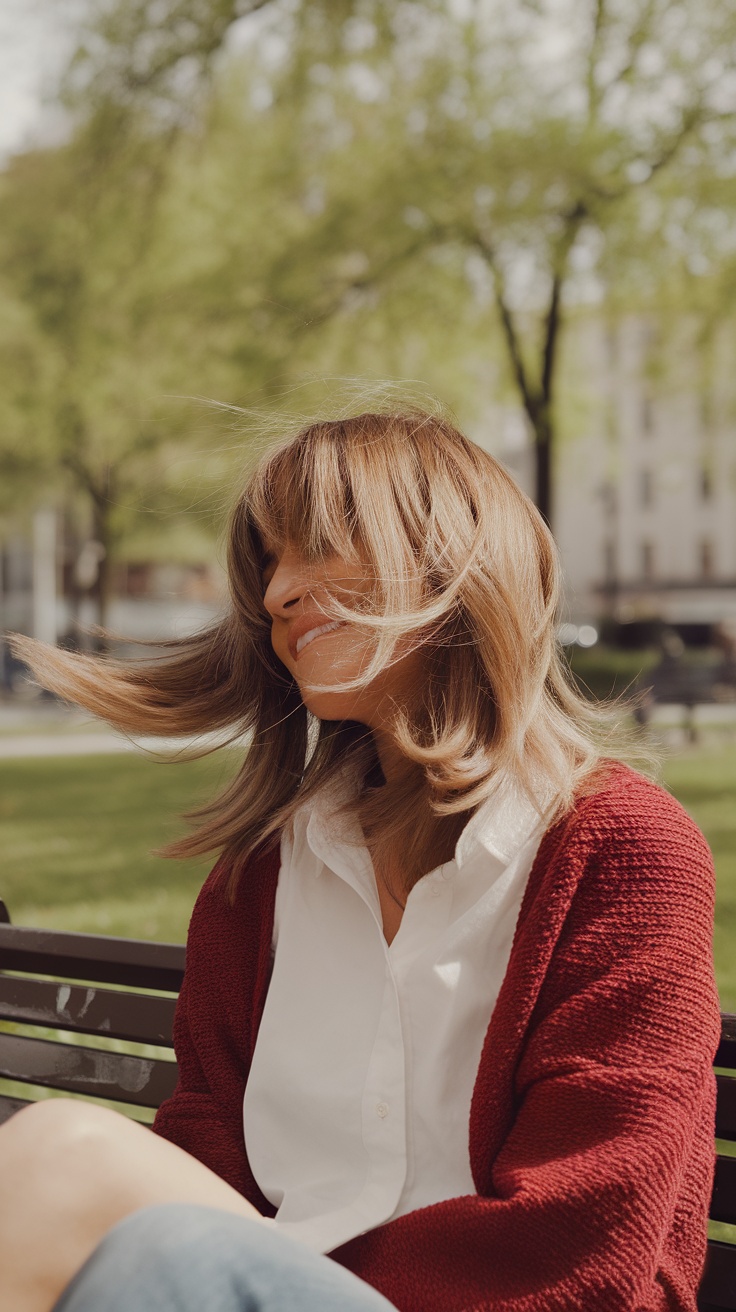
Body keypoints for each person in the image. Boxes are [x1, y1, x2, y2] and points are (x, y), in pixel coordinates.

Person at [4, 410, 719, 1312]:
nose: (276, 596)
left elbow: (586, 1249)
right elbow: (205, 1153)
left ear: (448, 558)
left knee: (60, 1155)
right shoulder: (259, 878)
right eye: (270, 566)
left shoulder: (621, 851)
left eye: (317, 549)